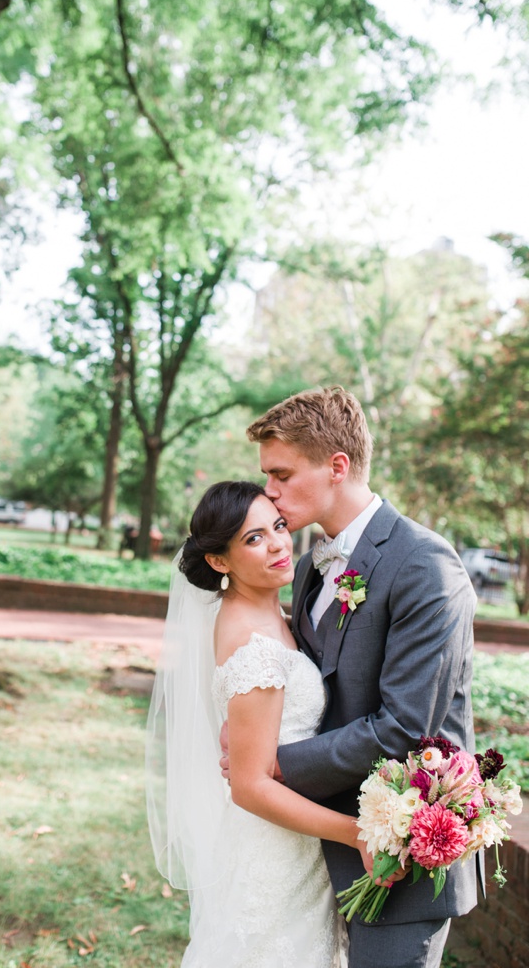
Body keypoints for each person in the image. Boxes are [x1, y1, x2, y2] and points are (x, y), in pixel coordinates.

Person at [243, 386, 477, 967]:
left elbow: (404, 727)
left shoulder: (425, 565)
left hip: (401, 858)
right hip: (315, 849)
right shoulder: (306, 567)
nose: (268, 491)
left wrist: (275, 766)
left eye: (281, 473)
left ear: (337, 467)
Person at [148, 479, 389, 966]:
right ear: (219, 561)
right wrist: (354, 832)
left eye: (277, 526)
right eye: (253, 539)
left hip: (298, 833)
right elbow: (249, 786)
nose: (279, 543)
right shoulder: (249, 640)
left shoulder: (273, 609)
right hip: (277, 846)